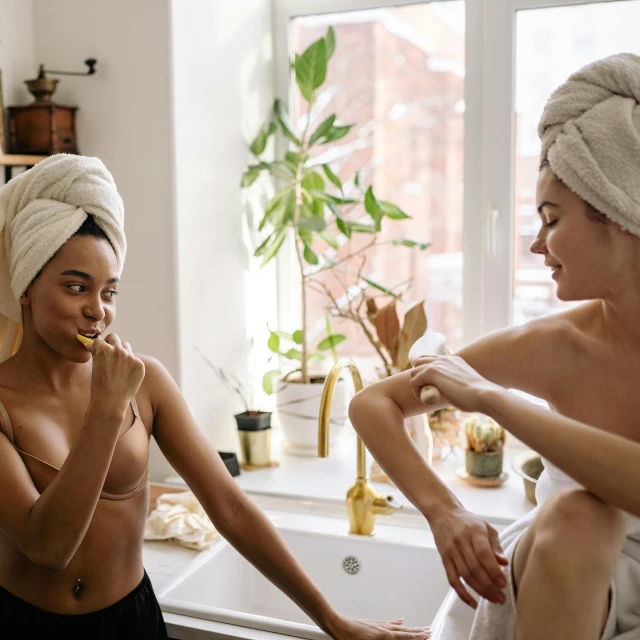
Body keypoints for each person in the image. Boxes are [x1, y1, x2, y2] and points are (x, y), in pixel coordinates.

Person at [0, 154, 432, 639]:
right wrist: (105, 410)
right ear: (27, 288)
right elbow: (48, 548)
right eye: (76, 287)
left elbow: (229, 508)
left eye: (109, 292)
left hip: (132, 623)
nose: (96, 312)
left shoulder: (147, 384)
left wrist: (331, 619)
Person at [348, 52, 640, 640]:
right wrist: (444, 510)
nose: (537, 245)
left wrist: (492, 400)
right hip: (565, 579)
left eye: (552, 220)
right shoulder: (557, 345)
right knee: (582, 515)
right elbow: (372, 404)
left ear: (620, 215)